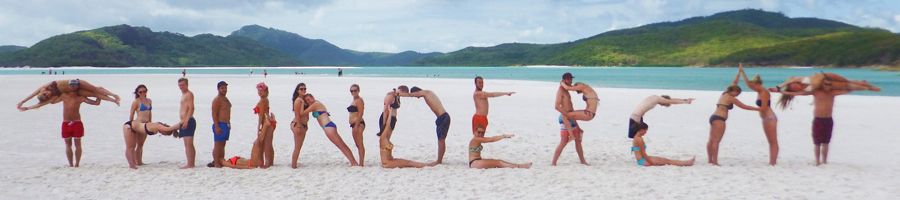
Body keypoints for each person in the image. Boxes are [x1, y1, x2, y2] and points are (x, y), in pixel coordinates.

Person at [775, 74, 880, 165]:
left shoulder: (833, 93)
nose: (827, 86)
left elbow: (848, 89)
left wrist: (865, 86)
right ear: (822, 84)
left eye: (829, 85)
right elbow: (797, 93)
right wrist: (781, 92)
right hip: (818, 119)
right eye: (825, 84)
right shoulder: (816, 92)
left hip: (828, 120)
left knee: (826, 142)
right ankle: (817, 161)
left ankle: (824, 161)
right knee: (817, 143)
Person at [707, 70, 759, 166]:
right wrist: (758, 109)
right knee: (716, 141)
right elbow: (744, 106)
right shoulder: (731, 98)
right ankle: (714, 162)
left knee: (711, 140)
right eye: (737, 93)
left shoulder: (724, 94)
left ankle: (710, 160)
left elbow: (734, 83)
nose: (738, 95)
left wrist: (739, 73)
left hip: (714, 117)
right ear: (733, 91)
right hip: (719, 119)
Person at [378, 86, 435, 168]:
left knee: (408, 162)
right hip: (387, 163)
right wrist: (386, 119)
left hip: (390, 160)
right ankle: (427, 165)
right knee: (409, 163)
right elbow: (385, 111)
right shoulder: (390, 96)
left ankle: (427, 165)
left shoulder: (395, 95)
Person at [300, 94, 360, 166]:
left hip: (328, 127)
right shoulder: (316, 103)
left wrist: (301, 103)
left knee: (341, 145)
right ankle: (353, 161)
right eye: (307, 100)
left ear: (313, 97)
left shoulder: (315, 104)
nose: (308, 101)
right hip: (329, 126)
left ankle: (353, 162)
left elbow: (302, 113)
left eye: (309, 99)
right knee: (341, 145)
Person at [737, 64, 779, 165]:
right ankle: (772, 162)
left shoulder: (764, 92)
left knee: (773, 141)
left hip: (770, 118)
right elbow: (748, 84)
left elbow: (763, 108)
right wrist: (742, 71)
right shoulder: (759, 90)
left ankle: (772, 163)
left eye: (754, 86)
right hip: (765, 119)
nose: (752, 88)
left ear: (758, 84)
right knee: (770, 141)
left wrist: (748, 108)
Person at [399, 86, 451, 164]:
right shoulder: (428, 93)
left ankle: (439, 161)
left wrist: (398, 94)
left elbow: (410, 95)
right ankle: (439, 160)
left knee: (441, 140)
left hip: (443, 117)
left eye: (417, 96)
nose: (418, 98)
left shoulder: (426, 92)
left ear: (417, 91)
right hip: (442, 118)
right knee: (441, 140)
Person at [52, 93, 101, 167]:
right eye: (71, 85)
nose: (72, 87)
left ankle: (77, 164)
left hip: (77, 123)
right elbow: (52, 101)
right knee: (68, 144)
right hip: (66, 123)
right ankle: (71, 164)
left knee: (78, 144)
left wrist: (99, 95)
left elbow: (96, 103)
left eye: (74, 86)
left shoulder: (80, 97)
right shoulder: (63, 96)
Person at [551, 72, 587, 166]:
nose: (571, 81)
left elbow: (571, 107)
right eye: (569, 79)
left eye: (571, 79)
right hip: (565, 118)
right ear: (564, 80)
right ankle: (553, 162)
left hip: (571, 117)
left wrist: (577, 125)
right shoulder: (561, 91)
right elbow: (556, 106)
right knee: (563, 142)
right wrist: (566, 115)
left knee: (578, 140)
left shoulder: (566, 90)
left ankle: (582, 161)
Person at [17, 79, 120, 111]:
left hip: (74, 83)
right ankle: (113, 100)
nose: (47, 94)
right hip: (76, 91)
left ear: (42, 92)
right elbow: (39, 105)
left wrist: (22, 101)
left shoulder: (45, 87)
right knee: (94, 94)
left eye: (45, 94)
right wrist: (27, 108)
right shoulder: (52, 97)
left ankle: (113, 95)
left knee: (95, 89)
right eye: (46, 96)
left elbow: (31, 95)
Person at [628, 95, 694, 139]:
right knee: (636, 137)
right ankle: (638, 154)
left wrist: (685, 99)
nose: (662, 105)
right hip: (635, 117)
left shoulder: (654, 98)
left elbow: (671, 100)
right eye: (665, 104)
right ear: (664, 100)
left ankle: (639, 153)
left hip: (637, 117)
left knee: (638, 137)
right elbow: (672, 101)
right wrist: (686, 102)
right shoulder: (657, 99)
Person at [127, 85, 153, 166]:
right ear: (137, 93)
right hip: (138, 124)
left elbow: (150, 112)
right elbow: (131, 114)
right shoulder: (136, 101)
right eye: (140, 92)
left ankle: (139, 161)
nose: (142, 93)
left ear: (146, 91)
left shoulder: (149, 100)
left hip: (146, 124)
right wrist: (131, 124)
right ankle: (136, 162)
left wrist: (151, 122)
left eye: (144, 91)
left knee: (141, 144)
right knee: (136, 144)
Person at [209, 81, 232, 168]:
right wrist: (217, 126)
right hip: (220, 124)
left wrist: (229, 123)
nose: (224, 90)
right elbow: (214, 114)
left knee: (223, 144)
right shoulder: (217, 99)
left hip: (226, 124)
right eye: (222, 88)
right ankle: (216, 163)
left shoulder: (225, 99)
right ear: (218, 89)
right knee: (217, 144)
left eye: (225, 88)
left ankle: (221, 160)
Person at [254, 82, 276, 168]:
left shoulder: (263, 100)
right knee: (269, 143)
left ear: (266, 91)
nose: (259, 92)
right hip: (270, 122)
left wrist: (259, 128)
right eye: (258, 91)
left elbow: (261, 115)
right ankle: (271, 162)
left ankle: (267, 163)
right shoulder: (265, 99)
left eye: (261, 91)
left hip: (267, 123)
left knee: (266, 144)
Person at [176, 78, 196, 169]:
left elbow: (191, 108)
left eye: (183, 85)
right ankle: (190, 162)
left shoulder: (189, 94)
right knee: (186, 144)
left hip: (188, 121)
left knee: (189, 143)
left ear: (187, 85)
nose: (181, 87)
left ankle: (190, 164)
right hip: (184, 121)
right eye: (180, 85)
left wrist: (186, 120)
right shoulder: (183, 94)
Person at [290, 83, 309, 168]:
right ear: (297, 91)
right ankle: (293, 165)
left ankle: (294, 163)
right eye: (301, 89)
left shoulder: (303, 100)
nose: (303, 90)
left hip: (302, 125)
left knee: (299, 146)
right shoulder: (298, 100)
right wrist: (299, 126)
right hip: (298, 124)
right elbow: (297, 115)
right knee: (297, 147)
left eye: (305, 89)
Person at [347, 84, 366, 166]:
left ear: (358, 91)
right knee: (357, 144)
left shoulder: (359, 100)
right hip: (354, 124)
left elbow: (361, 113)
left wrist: (356, 125)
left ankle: (361, 163)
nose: (353, 92)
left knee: (360, 143)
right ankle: (360, 162)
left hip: (358, 124)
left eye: (355, 90)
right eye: (352, 91)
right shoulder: (354, 100)